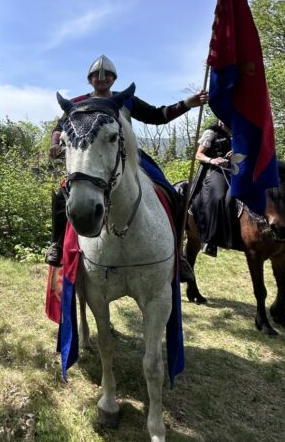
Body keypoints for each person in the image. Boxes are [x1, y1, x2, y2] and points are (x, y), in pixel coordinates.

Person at [45, 54, 208, 277]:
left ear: (113, 79)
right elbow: (59, 126)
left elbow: (157, 115)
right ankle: (56, 243)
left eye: (107, 76)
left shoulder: (126, 100)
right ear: (89, 79)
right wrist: (55, 144)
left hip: (127, 156)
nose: (102, 79)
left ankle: (177, 253)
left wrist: (187, 104)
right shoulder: (79, 103)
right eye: (96, 76)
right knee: (64, 190)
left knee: (171, 193)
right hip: (89, 157)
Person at [191, 119, 233, 256]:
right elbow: (198, 154)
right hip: (216, 170)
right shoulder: (211, 133)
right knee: (218, 195)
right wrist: (213, 160)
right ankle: (210, 240)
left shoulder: (238, 131)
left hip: (236, 169)